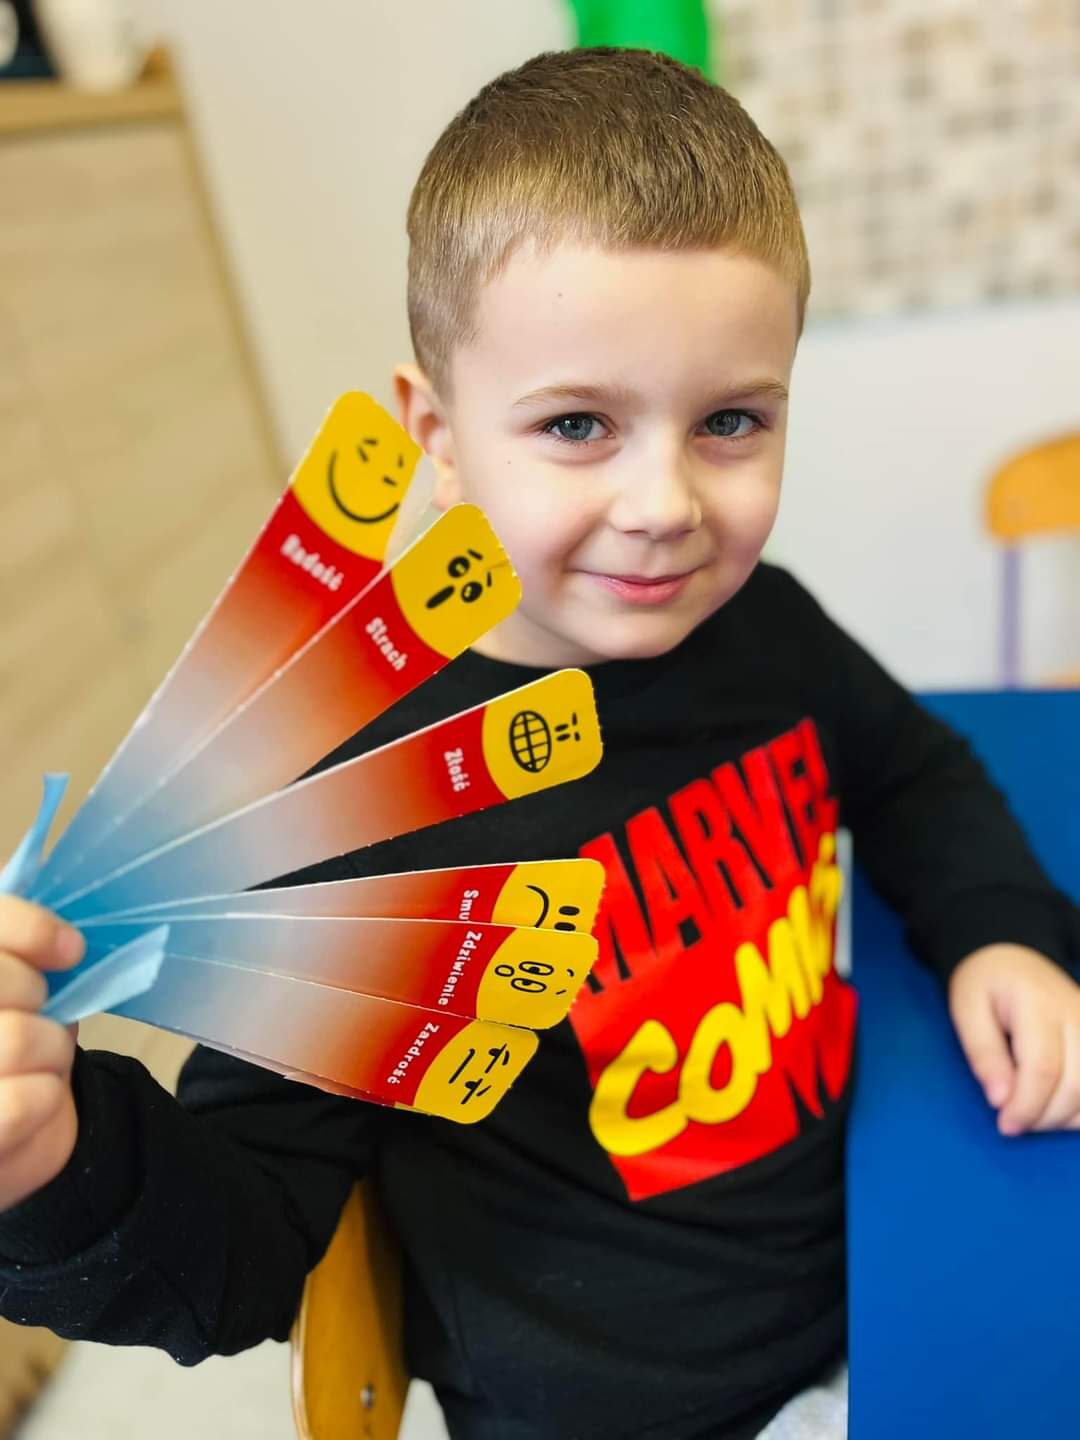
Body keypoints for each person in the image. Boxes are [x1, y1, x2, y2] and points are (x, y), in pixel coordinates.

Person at [1, 48, 1078, 1440]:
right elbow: (242, 1251)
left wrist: (1003, 934)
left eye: (731, 421)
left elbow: (915, 769)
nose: (665, 503)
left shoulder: (769, 627)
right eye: (578, 424)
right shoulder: (352, 811)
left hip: (894, 1281)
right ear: (436, 435)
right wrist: (56, 1161)